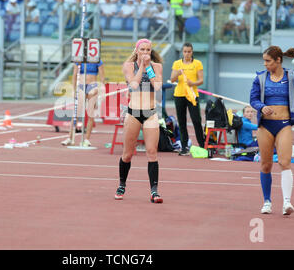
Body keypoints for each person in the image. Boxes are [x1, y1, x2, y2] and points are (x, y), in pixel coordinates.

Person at [250, 44, 294, 216]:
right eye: (264, 61)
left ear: (278, 60)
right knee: (265, 165)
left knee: (285, 163)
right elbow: (253, 99)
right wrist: (262, 107)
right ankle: (267, 202)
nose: (265, 64)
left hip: (284, 124)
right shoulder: (260, 78)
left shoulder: (291, 76)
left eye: (268, 61)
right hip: (265, 126)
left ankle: (286, 202)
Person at [114, 38, 163, 203]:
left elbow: (157, 86)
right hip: (133, 112)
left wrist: (148, 66)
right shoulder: (129, 66)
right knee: (127, 154)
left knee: (151, 152)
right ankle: (122, 184)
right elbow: (134, 84)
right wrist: (142, 66)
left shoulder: (156, 67)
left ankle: (154, 191)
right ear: (136, 51)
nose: (145, 53)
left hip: (150, 113)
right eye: (142, 50)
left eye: (148, 50)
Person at [61, 57, 105, 147]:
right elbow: (74, 75)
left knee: (90, 114)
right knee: (76, 113)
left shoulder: (97, 60)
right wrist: (74, 90)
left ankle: (87, 139)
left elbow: (102, 78)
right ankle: (70, 137)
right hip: (81, 87)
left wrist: (100, 91)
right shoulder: (79, 60)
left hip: (93, 87)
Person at [170, 42, 205, 156]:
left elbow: (201, 80)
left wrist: (192, 83)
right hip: (179, 95)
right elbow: (172, 80)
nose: (187, 54)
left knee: (196, 120)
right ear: (182, 52)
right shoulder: (177, 63)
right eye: (185, 51)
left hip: (192, 95)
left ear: (192, 52)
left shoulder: (197, 63)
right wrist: (178, 73)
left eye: (189, 51)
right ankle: (184, 147)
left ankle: (202, 144)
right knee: (182, 121)